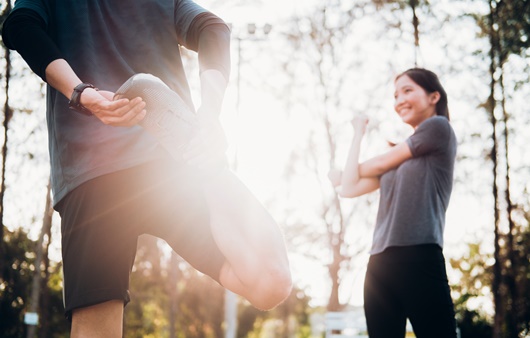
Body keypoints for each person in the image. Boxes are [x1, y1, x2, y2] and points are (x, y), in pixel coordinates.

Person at [2, 1, 292, 336]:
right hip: (98, 172)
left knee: (271, 281)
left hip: (173, 168)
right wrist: (81, 93)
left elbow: (213, 27)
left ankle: (211, 166)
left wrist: (209, 117)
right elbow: (21, 25)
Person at [328, 68, 458, 338]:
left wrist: (345, 173)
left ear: (434, 96)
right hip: (379, 265)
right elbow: (349, 188)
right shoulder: (396, 158)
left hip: (419, 256)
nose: (399, 100)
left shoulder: (439, 129)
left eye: (408, 90)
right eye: (396, 94)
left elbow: (358, 172)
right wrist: (357, 135)